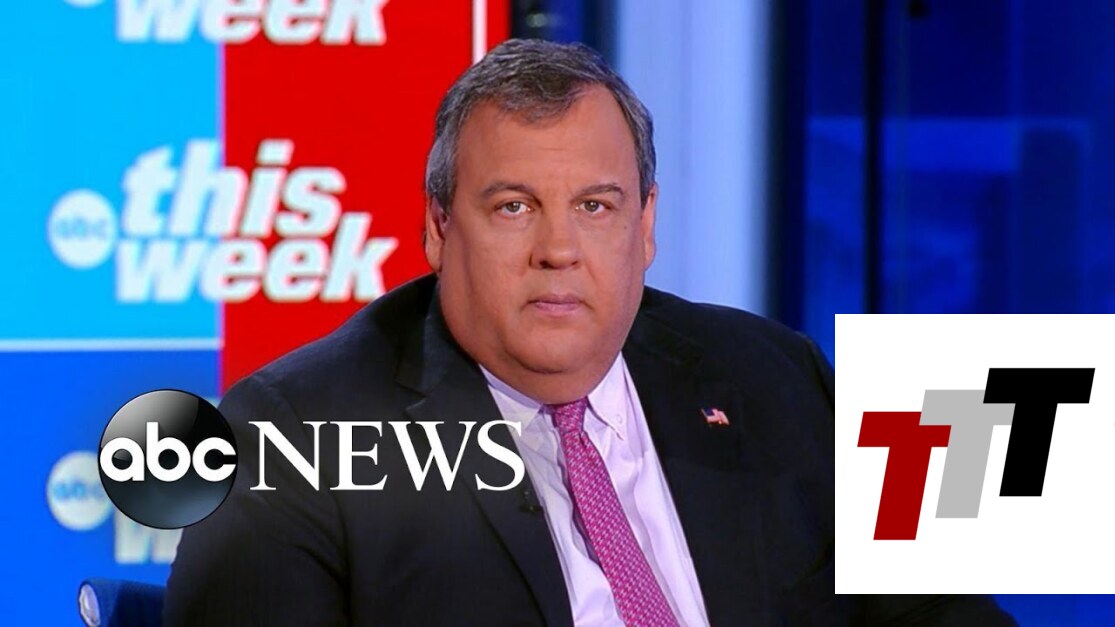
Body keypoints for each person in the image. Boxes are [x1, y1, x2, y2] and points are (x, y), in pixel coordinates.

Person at [164, 39, 1014, 626]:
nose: (558, 250)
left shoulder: (775, 373)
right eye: (513, 207)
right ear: (437, 227)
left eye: (595, 207)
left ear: (645, 226)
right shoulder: (290, 435)